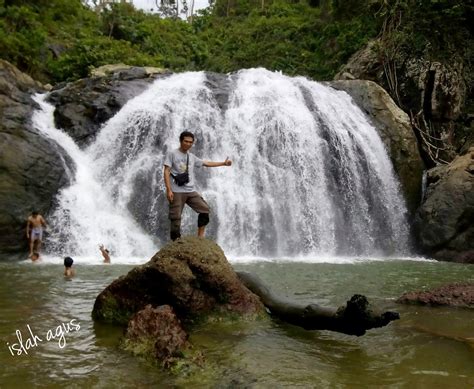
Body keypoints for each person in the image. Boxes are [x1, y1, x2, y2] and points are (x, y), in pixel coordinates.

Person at [163, 131, 232, 241]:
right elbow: (166, 171)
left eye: (191, 142)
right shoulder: (172, 154)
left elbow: (206, 163)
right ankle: (176, 243)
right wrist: (168, 189)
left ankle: (200, 238)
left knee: (205, 210)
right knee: (175, 218)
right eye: (186, 141)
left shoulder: (192, 156)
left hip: (190, 191)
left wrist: (223, 164)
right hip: (176, 191)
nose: (188, 144)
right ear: (181, 141)